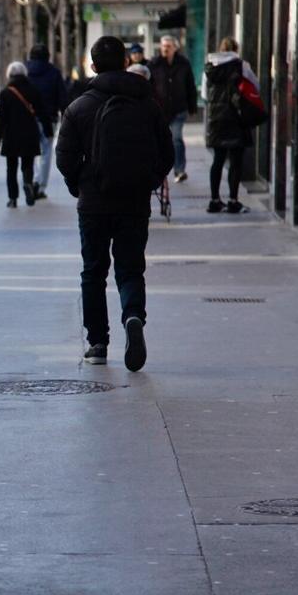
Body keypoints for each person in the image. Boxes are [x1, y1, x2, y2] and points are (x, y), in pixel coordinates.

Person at [56, 36, 174, 371]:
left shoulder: (78, 107)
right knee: (130, 267)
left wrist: (80, 183)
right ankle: (133, 315)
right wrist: (147, 181)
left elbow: (64, 157)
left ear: (92, 67)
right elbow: (167, 153)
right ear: (126, 62)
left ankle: (97, 342)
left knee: (93, 271)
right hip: (134, 202)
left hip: (93, 203)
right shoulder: (147, 103)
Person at [204, 37, 258, 214]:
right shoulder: (242, 66)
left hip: (216, 119)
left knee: (217, 161)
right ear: (236, 49)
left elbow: (205, 94)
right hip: (236, 118)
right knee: (235, 162)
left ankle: (214, 200)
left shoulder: (209, 66)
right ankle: (233, 200)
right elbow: (254, 86)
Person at [0, 61, 51, 207]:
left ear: (9, 75)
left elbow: (0, 118)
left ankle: (13, 199)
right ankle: (28, 184)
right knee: (28, 164)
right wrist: (48, 130)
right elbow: (42, 112)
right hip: (29, 133)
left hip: (11, 134)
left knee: (11, 167)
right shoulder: (33, 90)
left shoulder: (5, 93)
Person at [148, 35, 197, 183]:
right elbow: (148, 85)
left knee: (176, 138)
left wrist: (192, 106)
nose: (165, 49)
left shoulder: (184, 64)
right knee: (157, 140)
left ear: (175, 48)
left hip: (178, 109)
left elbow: (190, 85)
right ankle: (157, 169)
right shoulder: (154, 64)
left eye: (168, 46)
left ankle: (179, 170)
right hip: (159, 109)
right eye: (163, 46)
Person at [25, 44, 67, 200]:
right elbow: (62, 96)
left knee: (30, 151)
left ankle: (33, 178)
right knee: (46, 151)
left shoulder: (25, 70)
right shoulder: (54, 72)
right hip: (49, 118)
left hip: (28, 117)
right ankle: (41, 185)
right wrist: (64, 115)